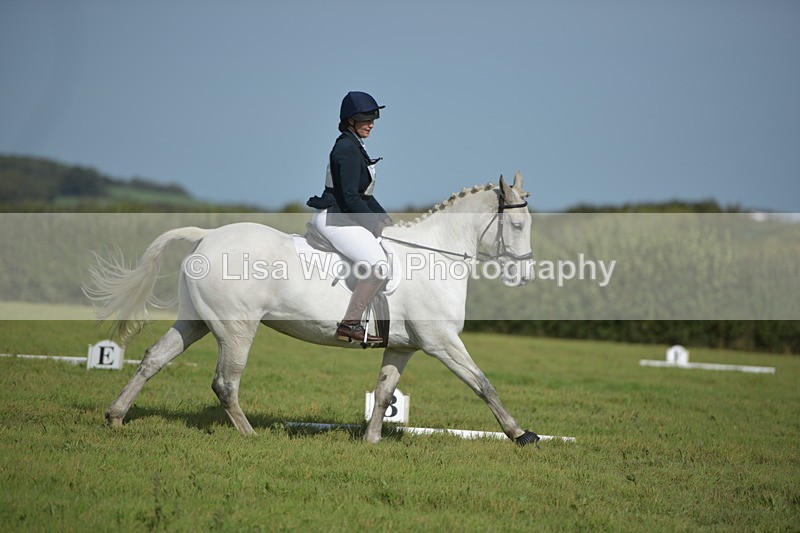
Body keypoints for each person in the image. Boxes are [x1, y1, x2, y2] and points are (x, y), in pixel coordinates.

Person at [307, 91, 393, 344]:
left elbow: (363, 195)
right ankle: (350, 323)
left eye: (373, 118)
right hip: (335, 216)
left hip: (345, 214)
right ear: (350, 120)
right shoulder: (346, 147)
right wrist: (376, 226)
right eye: (366, 118)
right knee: (378, 265)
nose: (372, 124)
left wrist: (387, 222)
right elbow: (349, 198)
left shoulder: (356, 146)